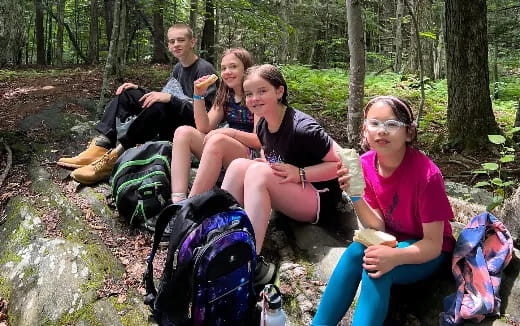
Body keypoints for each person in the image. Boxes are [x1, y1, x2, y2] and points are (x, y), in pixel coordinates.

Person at [311, 96, 455, 326]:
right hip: (390, 240)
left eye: (392, 124)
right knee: (355, 252)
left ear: (409, 132)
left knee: (376, 268)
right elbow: (377, 225)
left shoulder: (427, 175)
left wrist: (394, 257)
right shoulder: (366, 164)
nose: (382, 131)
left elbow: (433, 244)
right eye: (374, 123)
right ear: (365, 130)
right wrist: (355, 194)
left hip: (426, 251)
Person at [221, 64, 342, 286]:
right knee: (240, 165)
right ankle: (221, 234)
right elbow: (269, 153)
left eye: (262, 91)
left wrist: (301, 173)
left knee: (257, 172)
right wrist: (266, 164)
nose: (254, 98)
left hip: (318, 198)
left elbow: (341, 164)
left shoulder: (302, 128)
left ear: (279, 91)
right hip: (292, 189)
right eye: (249, 94)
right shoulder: (263, 124)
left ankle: (250, 260)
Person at [57, 23, 217, 185]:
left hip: (187, 130)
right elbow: (169, 94)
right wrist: (140, 90)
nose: (176, 45)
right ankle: (100, 146)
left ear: (192, 42)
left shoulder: (204, 69)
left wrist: (169, 99)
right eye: (172, 41)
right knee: (128, 94)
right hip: (172, 115)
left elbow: (206, 115)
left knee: (159, 105)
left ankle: (115, 157)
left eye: (181, 40)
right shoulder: (178, 68)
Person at [169, 47, 260, 203]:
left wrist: (227, 133)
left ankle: (190, 206)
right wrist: (198, 95)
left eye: (233, 66)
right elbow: (204, 127)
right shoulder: (226, 95)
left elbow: (260, 141)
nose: (227, 72)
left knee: (218, 140)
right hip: (222, 151)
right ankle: (178, 199)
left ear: (246, 69)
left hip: (250, 157)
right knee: (182, 132)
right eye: (223, 68)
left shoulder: (256, 96)